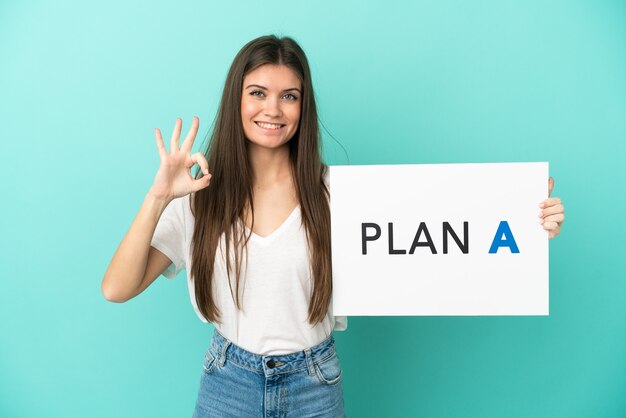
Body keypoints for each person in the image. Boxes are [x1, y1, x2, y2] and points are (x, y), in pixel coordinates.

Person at [101, 35, 565, 417]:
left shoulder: (340, 197)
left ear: (303, 108)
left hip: (314, 385)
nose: (273, 110)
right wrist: (159, 196)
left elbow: (447, 235)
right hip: (228, 383)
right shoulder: (201, 199)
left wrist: (525, 221)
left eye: (290, 96)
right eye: (258, 93)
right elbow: (116, 288)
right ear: (237, 99)